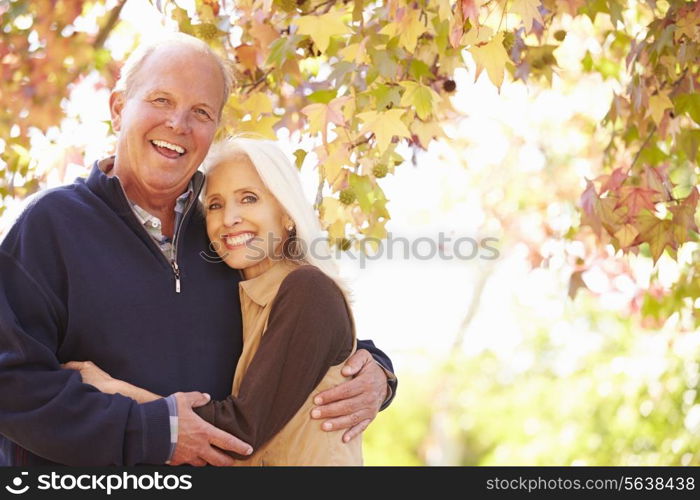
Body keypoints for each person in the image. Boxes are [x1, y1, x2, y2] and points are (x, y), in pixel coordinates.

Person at [0, 33, 396, 466]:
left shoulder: (231, 232)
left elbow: (305, 323)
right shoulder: (50, 225)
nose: (178, 124)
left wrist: (377, 371)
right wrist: (151, 431)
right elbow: (11, 385)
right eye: (161, 100)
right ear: (118, 108)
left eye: (201, 112)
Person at [65, 137, 364, 465]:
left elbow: (238, 435)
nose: (230, 218)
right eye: (216, 205)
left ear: (287, 213)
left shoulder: (308, 291)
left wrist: (112, 390)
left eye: (249, 198)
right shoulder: (244, 295)